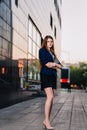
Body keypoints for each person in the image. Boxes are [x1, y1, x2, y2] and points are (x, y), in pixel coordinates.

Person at [39, 35, 62, 130]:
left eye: (51, 41)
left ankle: (46, 120)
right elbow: (46, 63)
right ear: (45, 42)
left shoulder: (53, 53)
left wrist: (54, 64)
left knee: (51, 99)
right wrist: (55, 65)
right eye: (48, 41)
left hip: (52, 76)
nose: (50, 43)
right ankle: (47, 121)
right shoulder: (42, 51)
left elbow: (60, 65)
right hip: (45, 75)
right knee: (50, 96)